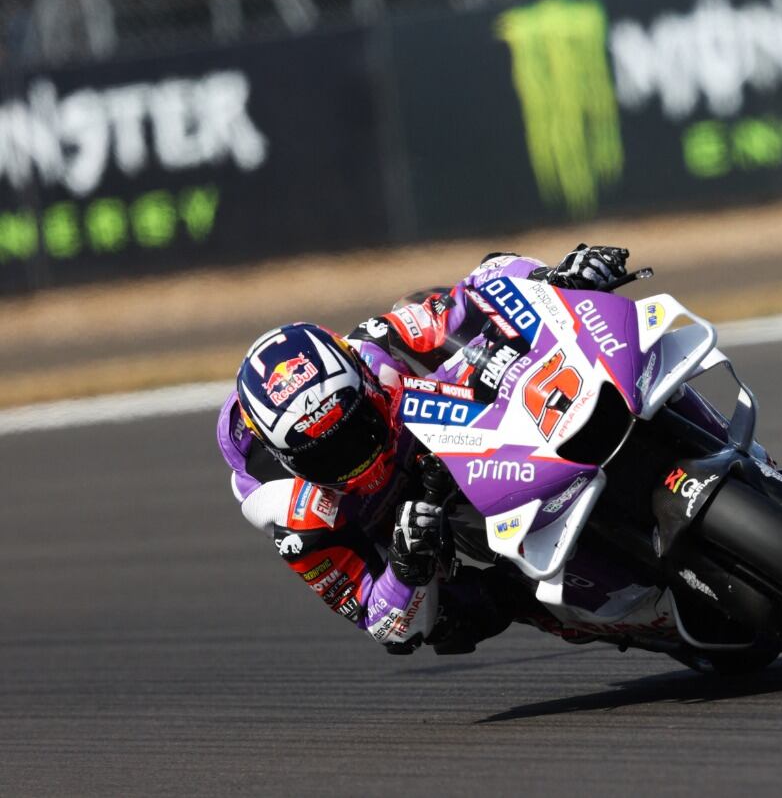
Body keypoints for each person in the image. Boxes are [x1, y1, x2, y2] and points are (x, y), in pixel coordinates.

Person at [214, 245, 633, 656]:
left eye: (358, 429)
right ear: (289, 460)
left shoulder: (374, 349)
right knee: (453, 618)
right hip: (393, 521)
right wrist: (404, 566)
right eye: (324, 457)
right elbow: (382, 624)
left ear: (364, 382)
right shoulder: (292, 513)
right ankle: (559, 606)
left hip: (435, 436)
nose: (354, 459)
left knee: (426, 304)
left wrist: (552, 279)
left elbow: (485, 281)